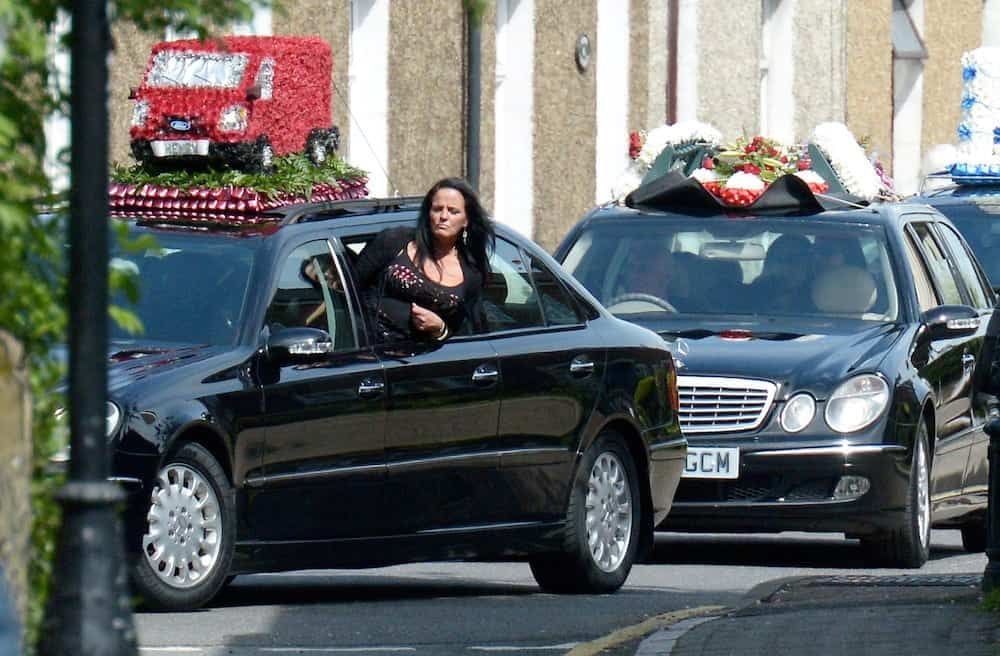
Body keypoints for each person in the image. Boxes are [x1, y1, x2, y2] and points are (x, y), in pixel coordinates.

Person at [354, 177, 496, 342]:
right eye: (437, 209)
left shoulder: (471, 272)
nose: (443, 216)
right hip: (366, 353)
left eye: (453, 211)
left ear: (466, 220)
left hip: (423, 362)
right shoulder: (395, 240)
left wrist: (439, 328)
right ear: (428, 213)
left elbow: (461, 331)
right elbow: (349, 287)